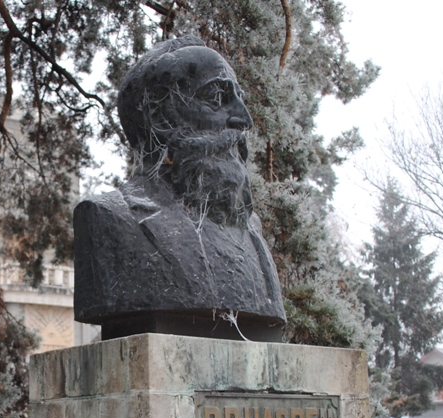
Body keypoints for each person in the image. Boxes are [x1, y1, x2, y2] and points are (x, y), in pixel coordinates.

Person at [73, 36, 286, 341]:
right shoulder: (109, 218)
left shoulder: (253, 230)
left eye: (239, 98)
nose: (244, 120)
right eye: (217, 97)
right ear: (159, 116)